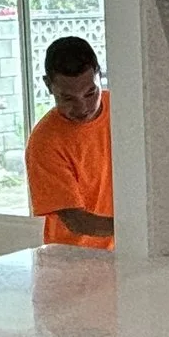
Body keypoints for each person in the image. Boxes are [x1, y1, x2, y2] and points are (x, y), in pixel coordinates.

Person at [25, 35, 114, 248]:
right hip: (73, 261)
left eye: (91, 93)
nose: (82, 108)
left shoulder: (124, 109)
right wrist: (137, 228)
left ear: (99, 75)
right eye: (67, 98)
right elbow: (76, 220)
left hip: (128, 254)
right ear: (48, 85)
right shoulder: (45, 142)